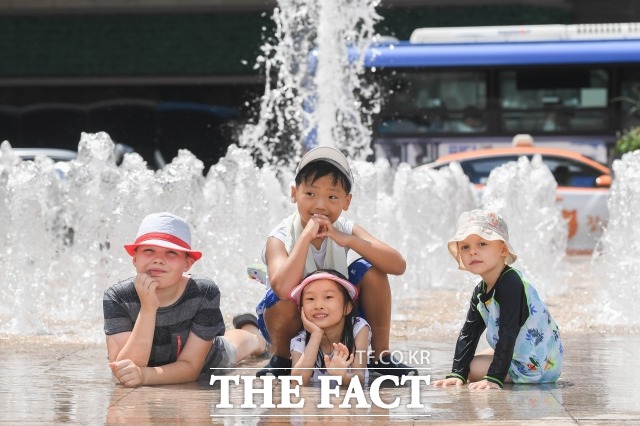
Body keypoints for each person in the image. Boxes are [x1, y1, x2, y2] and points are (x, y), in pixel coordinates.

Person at [256, 146, 414, 377]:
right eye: (310, 194)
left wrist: (348, 240)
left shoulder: (345, 228)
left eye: (332, 197)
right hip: (289, 322)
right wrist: (305, 238)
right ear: (294, 193)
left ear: (346, 201)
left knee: (373, 270)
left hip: (337, 322)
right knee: (288, 292)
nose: (320, 205)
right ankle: (282, 358)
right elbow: (281, 287)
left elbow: (398, 265)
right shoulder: (280, 237)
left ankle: (381, 357)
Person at [103, 212, 267, 387]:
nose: (158, 259)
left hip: (207, 360)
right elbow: (125, 369)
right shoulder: (117, 297)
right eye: (148, 250)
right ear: (135, 259)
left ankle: (254, 331)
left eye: (171, 253)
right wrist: (148, 309)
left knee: (242, 344)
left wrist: (144, 376)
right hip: (153, 363)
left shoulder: (202, 292)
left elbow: (190, 368)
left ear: (187, 263)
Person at [433, 209, 563, 390]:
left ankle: (505, 373)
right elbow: (469, 333)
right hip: (530, 355)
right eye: (465, 247)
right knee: (468, 365)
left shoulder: (511, 283)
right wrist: (457, 373)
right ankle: (494, 368)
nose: (473, 252)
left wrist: (494, 378)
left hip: (537, 366)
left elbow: (508, 332)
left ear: (503, 249)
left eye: (482, 244)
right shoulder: (481, 291)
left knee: (473, 368)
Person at [289, 269, 370, 385]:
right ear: (301, 310)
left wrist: (343, 376)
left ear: (347, 307)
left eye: (328, 297)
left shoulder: (358, 328)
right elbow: (297, 383)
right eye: (310, 299)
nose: (318, 305)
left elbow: (360, 376)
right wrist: (316, 335)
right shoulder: (300, 340)